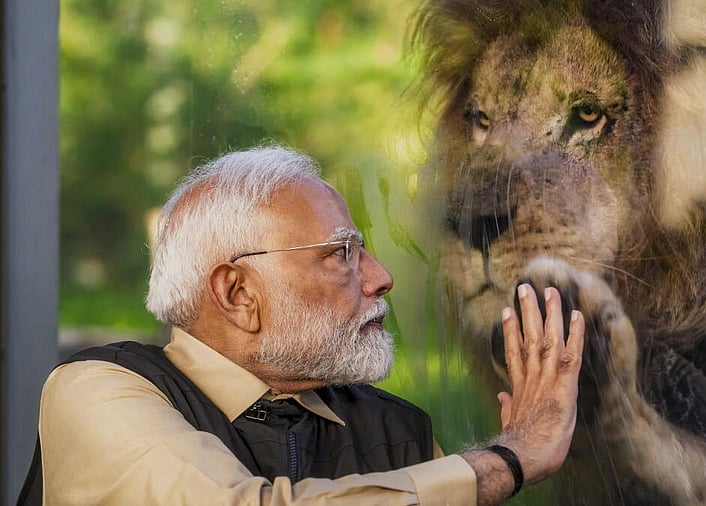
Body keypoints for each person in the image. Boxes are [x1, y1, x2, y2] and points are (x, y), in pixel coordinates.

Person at [20, 145, 584, 505]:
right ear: (238, 293)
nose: (381, 277)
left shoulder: (397, 430)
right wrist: (507, 461)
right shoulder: (94, 390)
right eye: (341, 253)